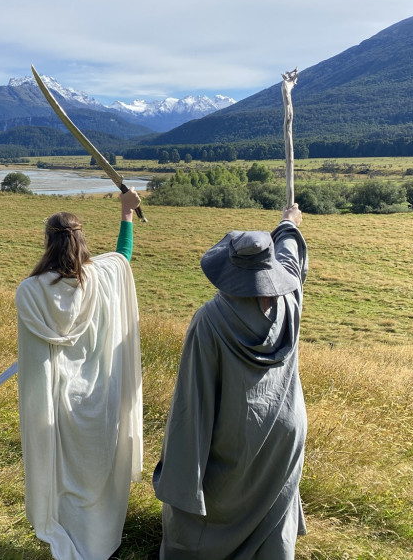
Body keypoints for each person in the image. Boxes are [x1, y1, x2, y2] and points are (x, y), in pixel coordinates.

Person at [153, 204, 308, 559]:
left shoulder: (210, 320)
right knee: (273, 496)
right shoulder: (290, 300)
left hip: (237, 437)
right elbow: (291, 256)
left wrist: (180, 479)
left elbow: (192, 403)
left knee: (221, 497)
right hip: (287, 429)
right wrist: (288, 222)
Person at [15, 188, 144, 560]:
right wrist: (126, 213)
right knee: (97, 469)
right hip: (100, 395)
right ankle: (101, 541)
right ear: (82, 239)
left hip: (56, 401)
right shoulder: (102, 278)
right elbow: (123, 257)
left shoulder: (30, 292)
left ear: (48, 243)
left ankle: (70, 537)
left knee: (64, 473)